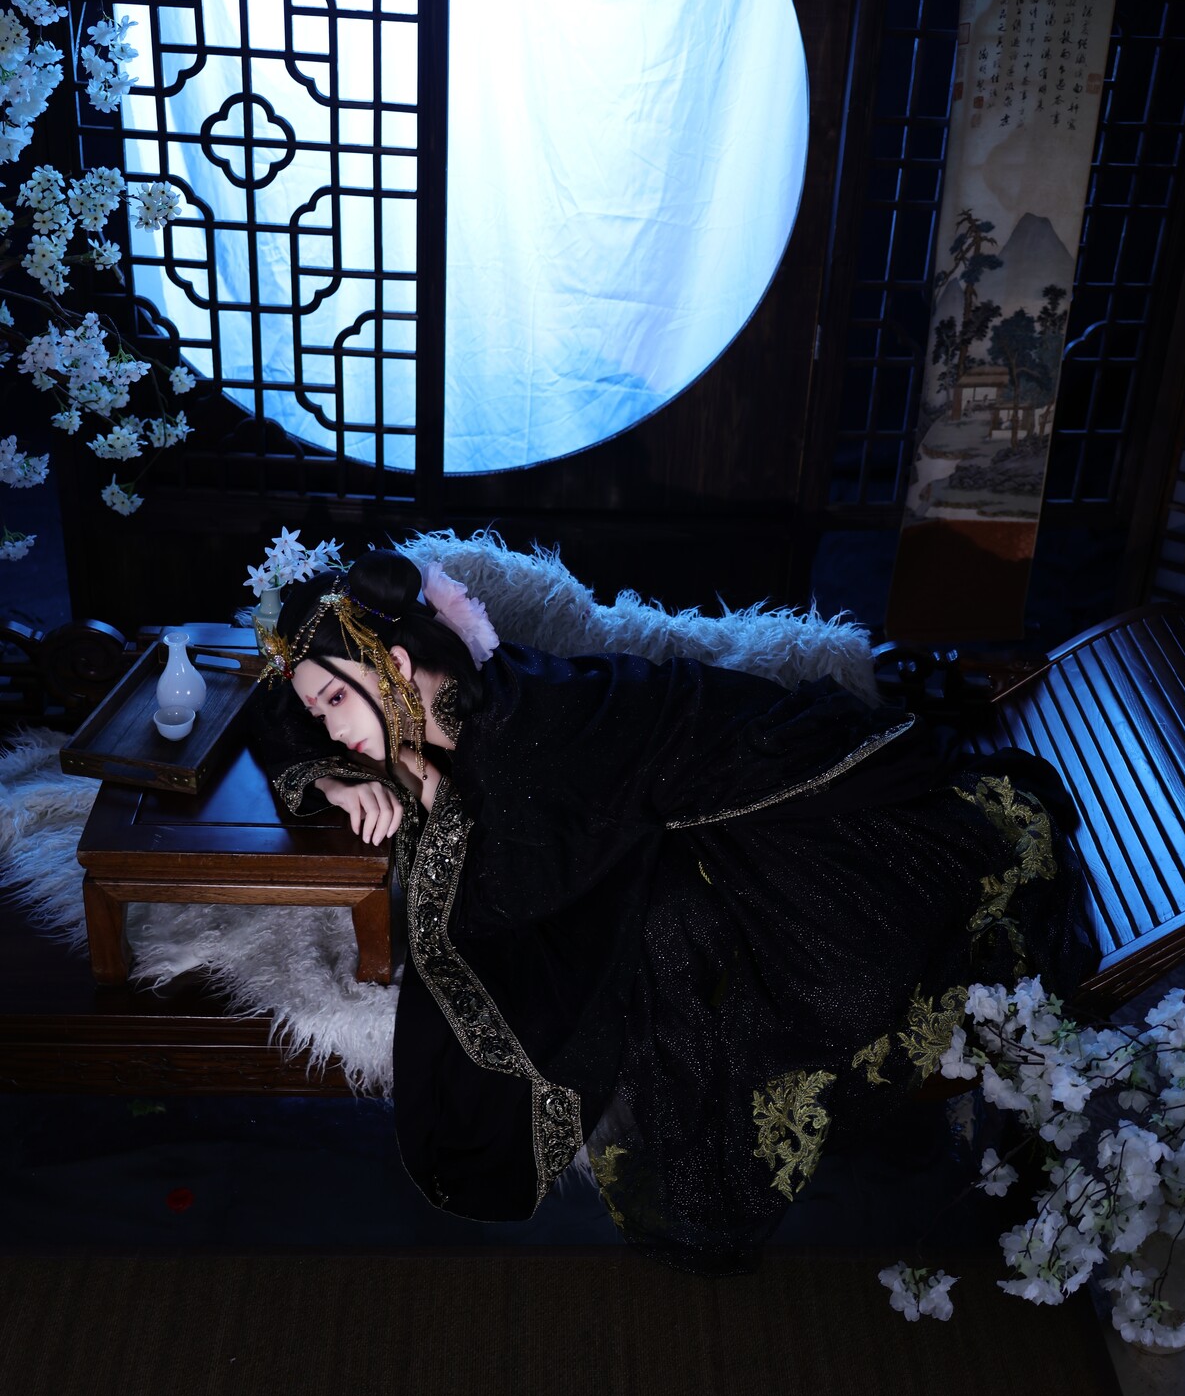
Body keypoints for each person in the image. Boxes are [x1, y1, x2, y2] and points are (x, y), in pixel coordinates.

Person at [246, 548, 1100, 1278]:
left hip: (734, 774)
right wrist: (342, 779)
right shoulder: (430, 701)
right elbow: (273, 710)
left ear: (397, 665)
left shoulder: (512, 750)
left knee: (810, 957)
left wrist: (433, 796)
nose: (326, 725)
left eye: (334, 703)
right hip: (662, 758)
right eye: (320, 708)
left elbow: (513, 906)